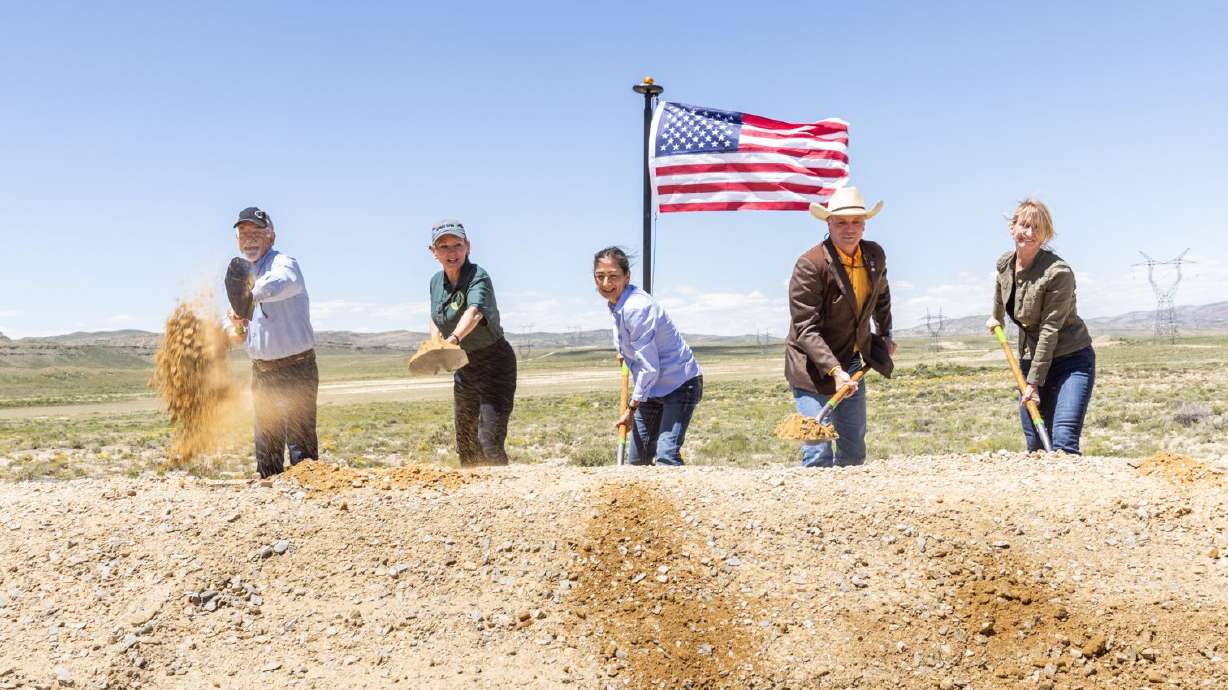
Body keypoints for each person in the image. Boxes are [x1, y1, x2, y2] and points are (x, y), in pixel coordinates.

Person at [785, 187, 896, 468]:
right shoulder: (810, 265)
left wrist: (885, 334)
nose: (850, 229)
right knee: (818, 450)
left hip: (852, 360)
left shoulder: (873, 256)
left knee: (854, 450)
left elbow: (881, 296)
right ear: (828, 224)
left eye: (856, 222)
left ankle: (849, 511)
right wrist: (835, 371)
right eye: (841, 222)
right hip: (812, 367)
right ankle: (817, 510)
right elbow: (805, 328)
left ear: (864, 223)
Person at [986, 199, 1094, 454]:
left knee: (1063, 440)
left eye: (1037, 228)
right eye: (1024, 225)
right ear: (1012, 228)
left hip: (1071, 361)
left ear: (1046, 234)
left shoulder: (1058, 272)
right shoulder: (1004, 263)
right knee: (1035, 444)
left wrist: (1032, 384)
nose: (1030, 233)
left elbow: (1049, 330)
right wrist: (996, 318)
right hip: (1031, 359)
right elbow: (1001, 289)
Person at [225, 206, 319, 478]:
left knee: (300, 441)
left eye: (257, 232)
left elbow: (283, 283)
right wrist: (232, 327)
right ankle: (270, 499)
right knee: (267, 441)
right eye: (244, 233)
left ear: (272, 237)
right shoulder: (240, 278)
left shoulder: (283, 263)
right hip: (262, 371)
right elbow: (236, 326)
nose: (250, 238)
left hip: (296, 368)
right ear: (237, 240)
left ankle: (309, 497)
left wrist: (250, 295)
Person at [594, 247, 703, 466]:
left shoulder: (636, 307)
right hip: (652, 389)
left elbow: (649, 367)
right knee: (637, 461)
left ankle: (679, 499)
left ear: (627, 276)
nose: (606, 283)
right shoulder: (617, 304)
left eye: (613, 276)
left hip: (680, 384)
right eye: (600, 276)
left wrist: (631, 408)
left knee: (666, 455)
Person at [427, 219, 517, 466]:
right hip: (465, 365)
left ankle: (502, 497)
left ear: (468, 246)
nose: (451, 252)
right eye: (443, 247)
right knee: (466, 442)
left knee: (488, 443)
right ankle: (473, 499)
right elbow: (436, 317)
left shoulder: (478, 275)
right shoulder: (436, 282)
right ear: (433, 252)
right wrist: (435, 344)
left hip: (495, 363)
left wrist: (452, 340)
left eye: (457, 245)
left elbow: (475, 312)